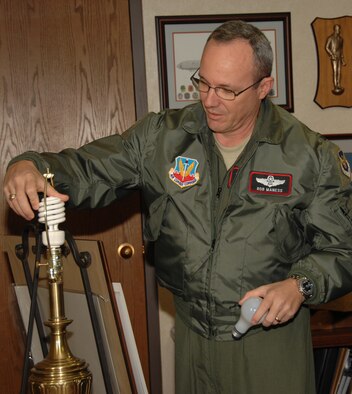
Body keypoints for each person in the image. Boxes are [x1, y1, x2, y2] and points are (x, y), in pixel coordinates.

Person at [4, 20, 352, 394]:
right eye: (203, 82)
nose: (209, 99)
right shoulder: (163, 138)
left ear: (264, 88)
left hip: (268, 340)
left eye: (227, 90)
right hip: (192, 334)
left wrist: (300, 285)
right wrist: (31, 166)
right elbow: (89, 168)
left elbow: (344, 248)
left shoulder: (309, 156)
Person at [325, 24, 346, 95]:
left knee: (339, 72)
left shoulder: (341, 39)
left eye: (339, 29)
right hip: (334, 58)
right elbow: (327, 47)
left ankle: (339, 85)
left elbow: (341, 50)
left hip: (339, 57)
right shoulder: (330, 38)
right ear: (334, 29)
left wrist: (342, 59)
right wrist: (331, 54)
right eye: (337, 29)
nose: (338, 30)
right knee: (335, 72)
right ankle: (335, 86)